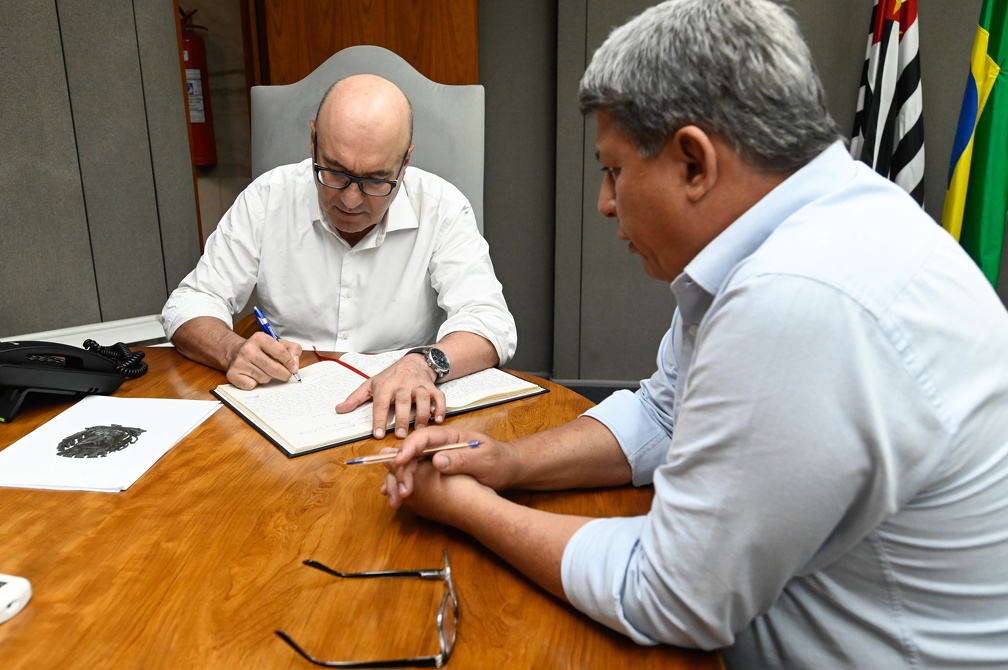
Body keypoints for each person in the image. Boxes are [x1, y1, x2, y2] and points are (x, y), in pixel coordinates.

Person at [378, 1, 1008, 667]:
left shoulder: (797, 296)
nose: (605, 202)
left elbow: (670, 595)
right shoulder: (801, 227)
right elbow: (664, 411)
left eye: (614, 169)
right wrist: (508, 464)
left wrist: (469, 509)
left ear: (693, 163)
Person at [161, 74, 517, 439]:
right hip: (285, 411)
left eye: (376, 181)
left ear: (405, 161)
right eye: (334, 171)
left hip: (403, 416)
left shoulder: (442, 207)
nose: (349, 200)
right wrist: (232, 349)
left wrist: (423, 364)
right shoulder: (268, 198)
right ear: (313, 140)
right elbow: (191, 302)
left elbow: (490, 322)